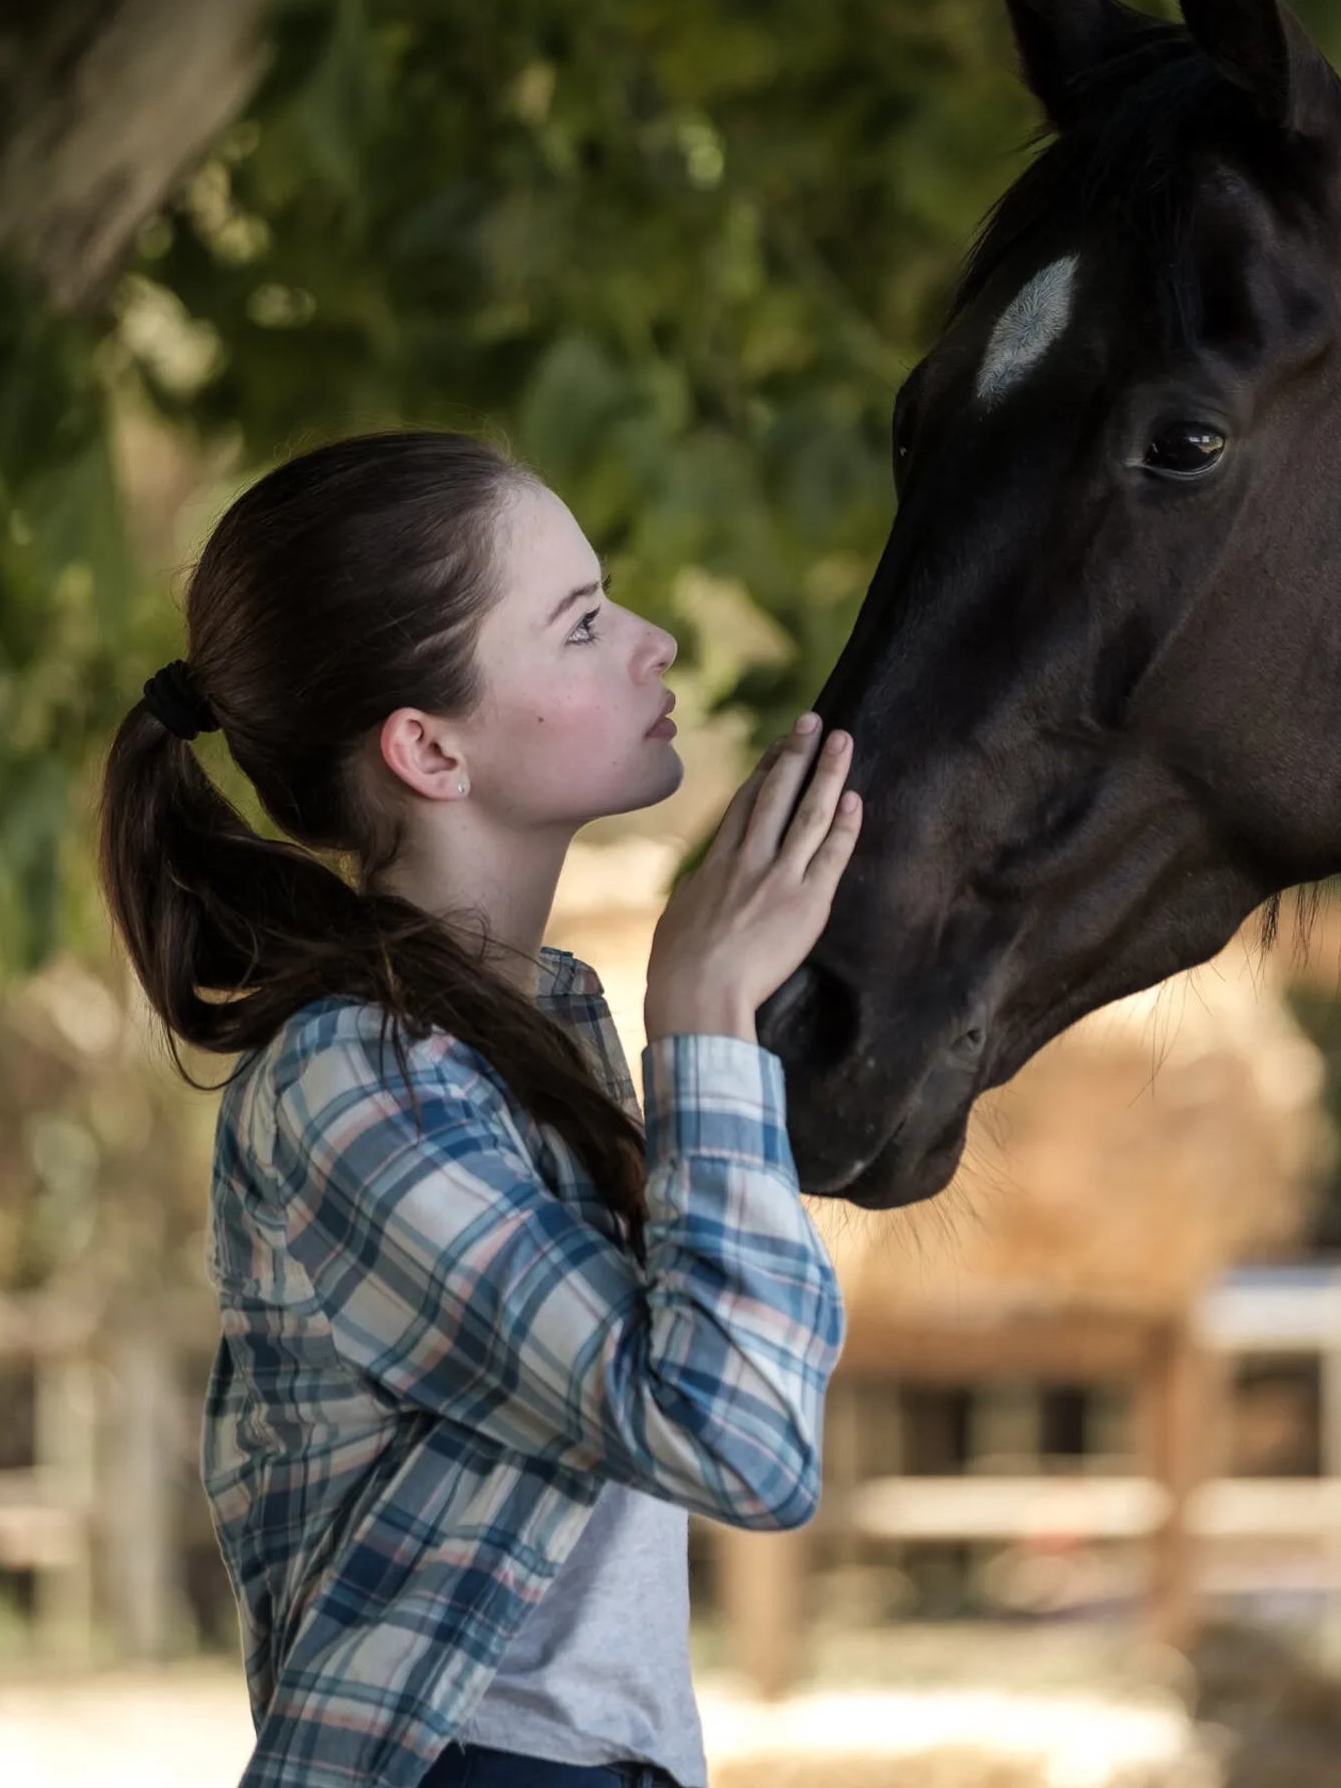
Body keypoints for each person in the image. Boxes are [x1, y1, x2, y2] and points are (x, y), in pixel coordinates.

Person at [98, 430, 858, 1788]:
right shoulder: (351, 1085)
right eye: (580, 625)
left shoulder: (531, 1038)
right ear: (429, 750)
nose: (657, 641)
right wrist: (706, 1017)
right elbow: (738, 1442)